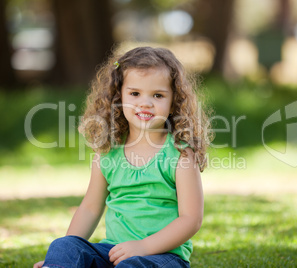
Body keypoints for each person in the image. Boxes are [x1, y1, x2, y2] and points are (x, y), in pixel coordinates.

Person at [34, 46, 212, 268]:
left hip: (163, 256)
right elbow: (90, 208)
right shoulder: (108, 150)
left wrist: (144, 247)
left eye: (157, 95)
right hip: (114, 251)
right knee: (64, 246)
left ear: (173, 100)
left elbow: (191, 219)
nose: (145, 103)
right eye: (135, 93)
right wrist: (66, 257)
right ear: (118, 96)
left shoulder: (180, 153)